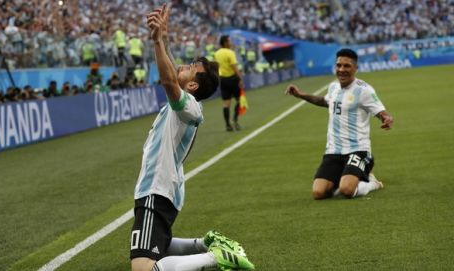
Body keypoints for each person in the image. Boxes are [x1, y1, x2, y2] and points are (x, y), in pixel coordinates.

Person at [130, 4, 255, 271]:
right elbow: (173, 74)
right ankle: (205, 244)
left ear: (193, 85)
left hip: (158, 188)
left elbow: (168, 80)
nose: (181, 66)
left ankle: (216, 258)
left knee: (143, 268)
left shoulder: (188, 105)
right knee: (153, 245)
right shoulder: (187, 102)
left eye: (188, 67)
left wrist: (156, 43)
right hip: (160, 188)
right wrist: (163, 37)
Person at [285, 48, 394, 200]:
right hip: (333, 151)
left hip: (358, 150)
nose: (341, 70)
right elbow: (324, 101)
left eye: (347, 66)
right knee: (319, 193)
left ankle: (372, 182)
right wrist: (300, 94)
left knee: (347, 190)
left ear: (356, 68)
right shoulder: (333, 87)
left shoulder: (364, 90)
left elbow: (381, 111)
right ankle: (345, 175)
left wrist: (386, 118)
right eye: (339, 65)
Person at [214, 35, 244, 131]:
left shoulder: (217, 53)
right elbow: (235, 67)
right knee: (239, 100)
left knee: (226, 104)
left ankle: (227, 125)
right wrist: (240, 79)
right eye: (229, 41)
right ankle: (235, 120)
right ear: (225, 43)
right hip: (232, 79)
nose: (231, 43)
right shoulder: (230, 52)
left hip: (222, 80)